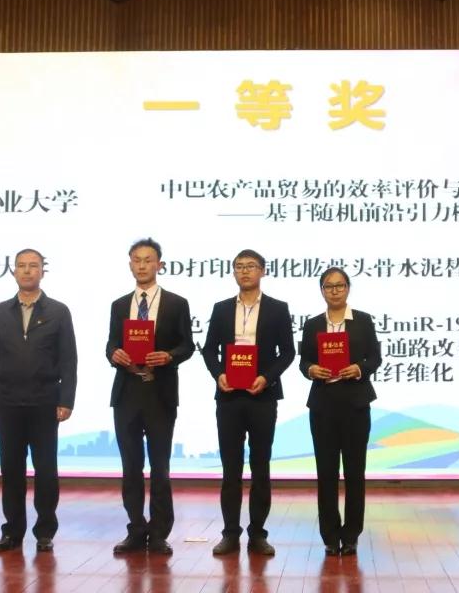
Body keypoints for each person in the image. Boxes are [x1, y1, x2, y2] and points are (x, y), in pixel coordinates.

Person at [0, 248, 78, 553]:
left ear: (42, 271)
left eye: (33, 266)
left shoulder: (58, 311)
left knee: (46, 471)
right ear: (13, 272)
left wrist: (67, 400)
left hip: (45, 402)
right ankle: (12, 531)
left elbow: (68, 360)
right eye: (21, 266)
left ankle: (45, 531)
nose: (26, 271)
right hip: (8, 402)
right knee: (11, 470)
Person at [201, 249, 295, 556]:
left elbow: (288, 352)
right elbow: (209, 349)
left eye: (251, 266)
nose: (244, 271)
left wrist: (267, 377)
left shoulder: (278, 308)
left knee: (260, 466)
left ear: (262, 271)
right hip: (229, 397)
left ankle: (258, 534)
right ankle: (230, 533)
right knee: (231, 469)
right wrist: (219, 374)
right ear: (233, 272)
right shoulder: (221, 309)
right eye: (239, 266)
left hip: (262, 396)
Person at [106, 238, 194, 555]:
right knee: (130, 466)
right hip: (127, 394)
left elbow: (188, 345)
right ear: (130, 265)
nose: (142, 265)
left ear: (160, 265)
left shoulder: (176, 303)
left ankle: (158, 532)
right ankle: (135, 528)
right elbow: (110, 344)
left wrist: (169, 356)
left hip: (160, 392)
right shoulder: (119, 305)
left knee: (160, 466)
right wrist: (114, 354)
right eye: (136, 260)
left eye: (148, 260)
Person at [299, 267, 381, 556]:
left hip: (355, 404)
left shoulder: (363, 320)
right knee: (326, 472)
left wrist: (359, 368)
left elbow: (375, 358)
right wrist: (311, 369)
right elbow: (303, 361)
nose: (334, 291)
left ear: (348, 288)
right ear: (322, 290)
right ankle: (330, 536)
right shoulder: (313, 324)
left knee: (355, 472)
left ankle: (351, 535)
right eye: (328, 286)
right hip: (323, 405)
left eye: (340, 285)